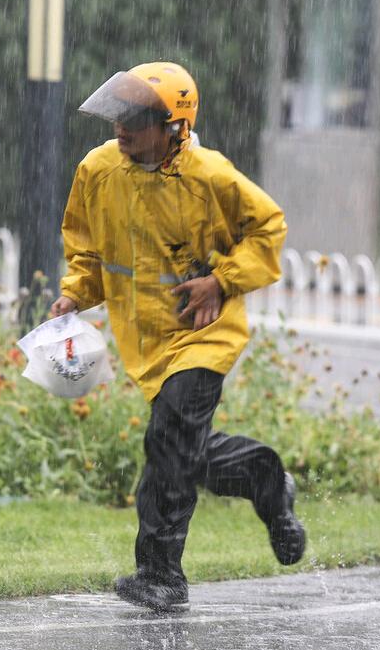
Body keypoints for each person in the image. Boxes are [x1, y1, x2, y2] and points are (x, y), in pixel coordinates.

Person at [51, 61, 305, 612]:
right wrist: (74, 295)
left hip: (204, 334)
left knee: (167, 442)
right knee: (183, 454)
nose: (121, 128)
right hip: (145, 342)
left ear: (173, 127)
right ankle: (264, 478)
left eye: (136, 119)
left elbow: (269, 227)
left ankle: (161, 575)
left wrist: (221, 280)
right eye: (118, 115)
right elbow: (88, 250)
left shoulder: (209, 176)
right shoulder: (98, 169)